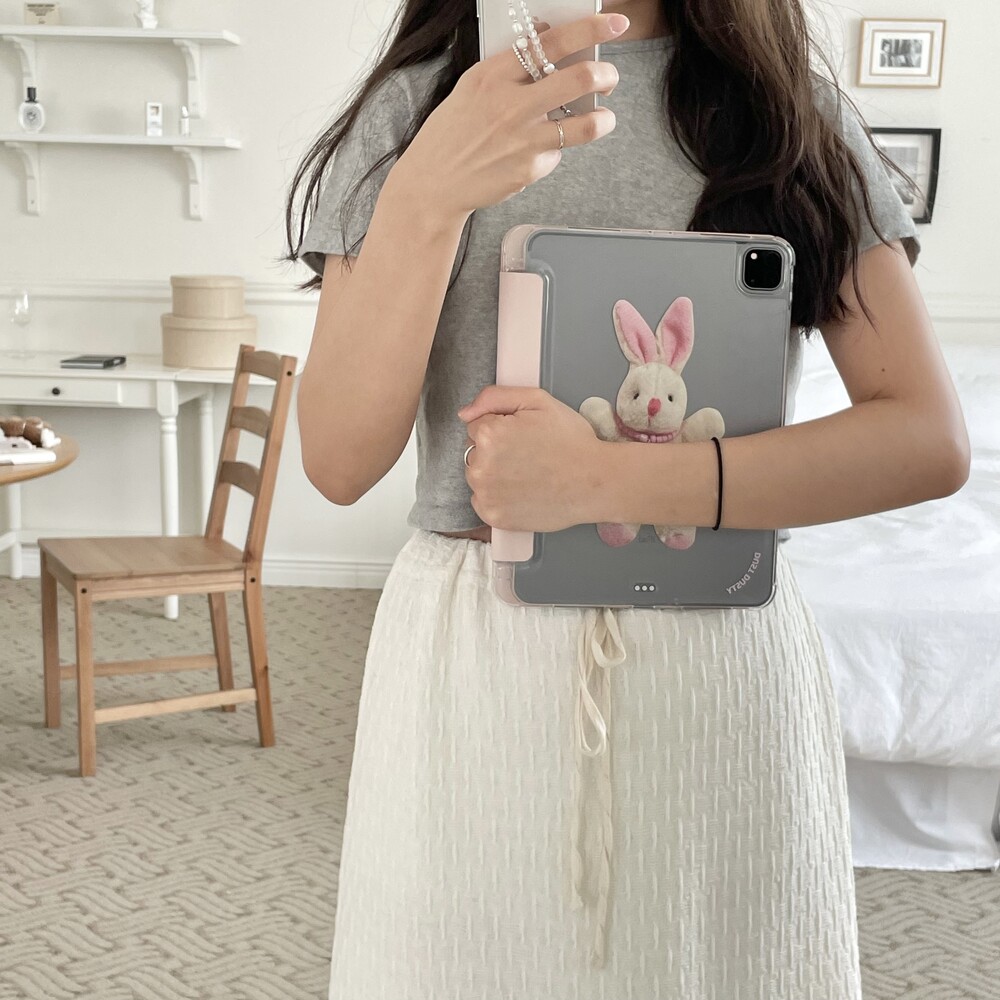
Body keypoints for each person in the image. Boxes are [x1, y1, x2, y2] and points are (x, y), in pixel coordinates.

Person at [284, 0, 970, 996]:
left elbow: (925, 437)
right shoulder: (420, 107)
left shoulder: (788, 114)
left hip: (719, 651)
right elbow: (340, 460)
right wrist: (426, 197)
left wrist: (606, 480)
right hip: (477, 652)